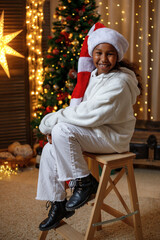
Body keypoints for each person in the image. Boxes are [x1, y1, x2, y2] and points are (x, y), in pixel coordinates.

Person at [36, 22, 141, 231]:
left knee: (62, 130)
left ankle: (85, 183)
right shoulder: (96, 76)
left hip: (112, 138)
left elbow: (89, 115)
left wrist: (53, 120)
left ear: (117, 55)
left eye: (110, 54)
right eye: (98, 53)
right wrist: (56, 130)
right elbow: (83, 112)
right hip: (97, 131)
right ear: (92, 54)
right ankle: (59, 205)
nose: (103, 59)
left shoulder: (119, 83)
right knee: (49, 148)